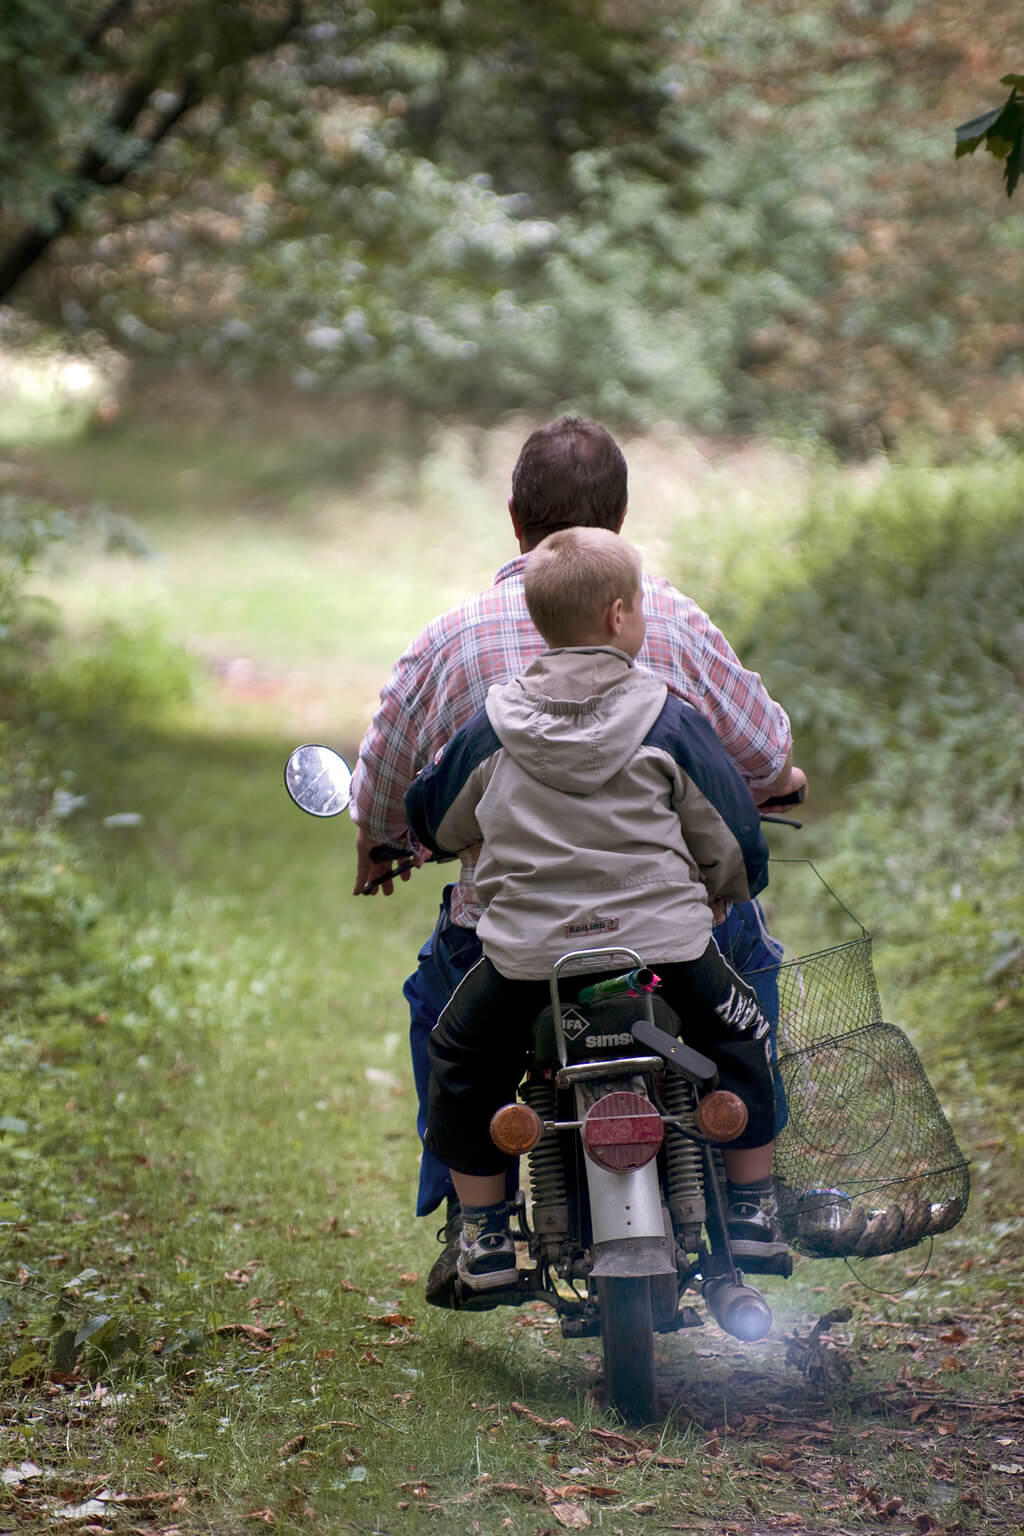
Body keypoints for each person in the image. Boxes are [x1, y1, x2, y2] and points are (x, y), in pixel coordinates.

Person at [348, 416, 805, 1301]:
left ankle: (478, 1224)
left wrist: (391, 837)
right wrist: (733, 879)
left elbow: (415, 804)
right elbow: (748, 776)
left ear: (515, 521)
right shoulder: (671, 656)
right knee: (749, 1006)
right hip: (672, 942)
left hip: (516, 945)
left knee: (451, 1035)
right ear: (621, 524)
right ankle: (752, 1200)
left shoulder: (469, 665)